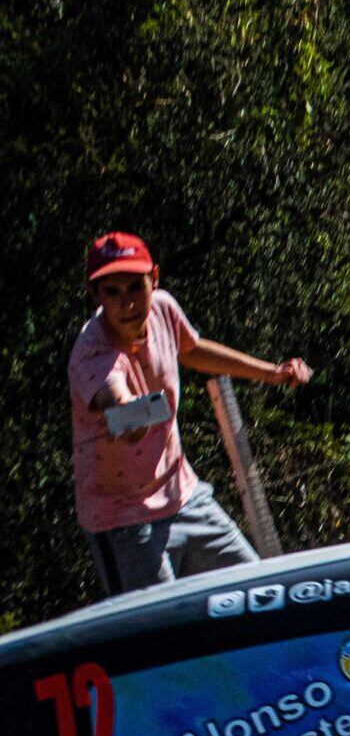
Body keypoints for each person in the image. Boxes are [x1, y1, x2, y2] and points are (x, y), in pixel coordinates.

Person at [67, 231, 311, 595]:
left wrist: (270, 372)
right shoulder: (93, 355)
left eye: (135, 287)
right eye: (112, 293)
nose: (127, 303)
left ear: (155, 279)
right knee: (158, 638)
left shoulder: (163, 308)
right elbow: (118, 407)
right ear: (94, 295)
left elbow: (192, 349)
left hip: (184, 496)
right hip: (123, 522)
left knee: (258, 596)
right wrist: (136, 414)